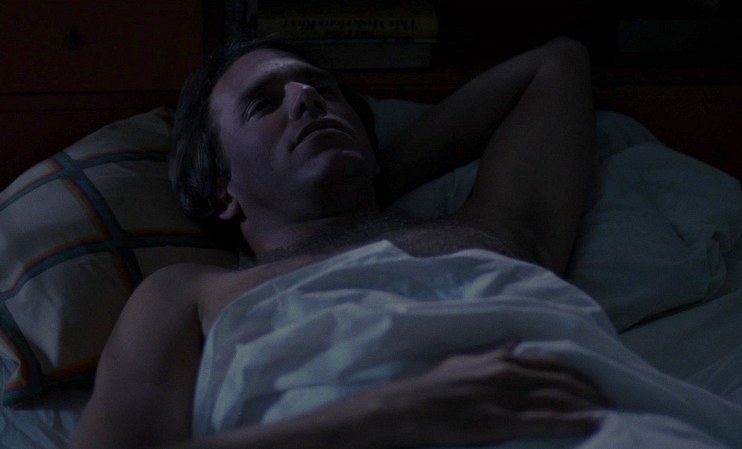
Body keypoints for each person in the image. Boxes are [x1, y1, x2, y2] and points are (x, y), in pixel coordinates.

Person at [72, 33, 605, 449]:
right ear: (220, 190)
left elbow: (556, 63)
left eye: (323, 91)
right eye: (263, 105)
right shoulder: (190, 294)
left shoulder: (485, 230)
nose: (306, 97)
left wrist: (371, 171)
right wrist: (395, 413)